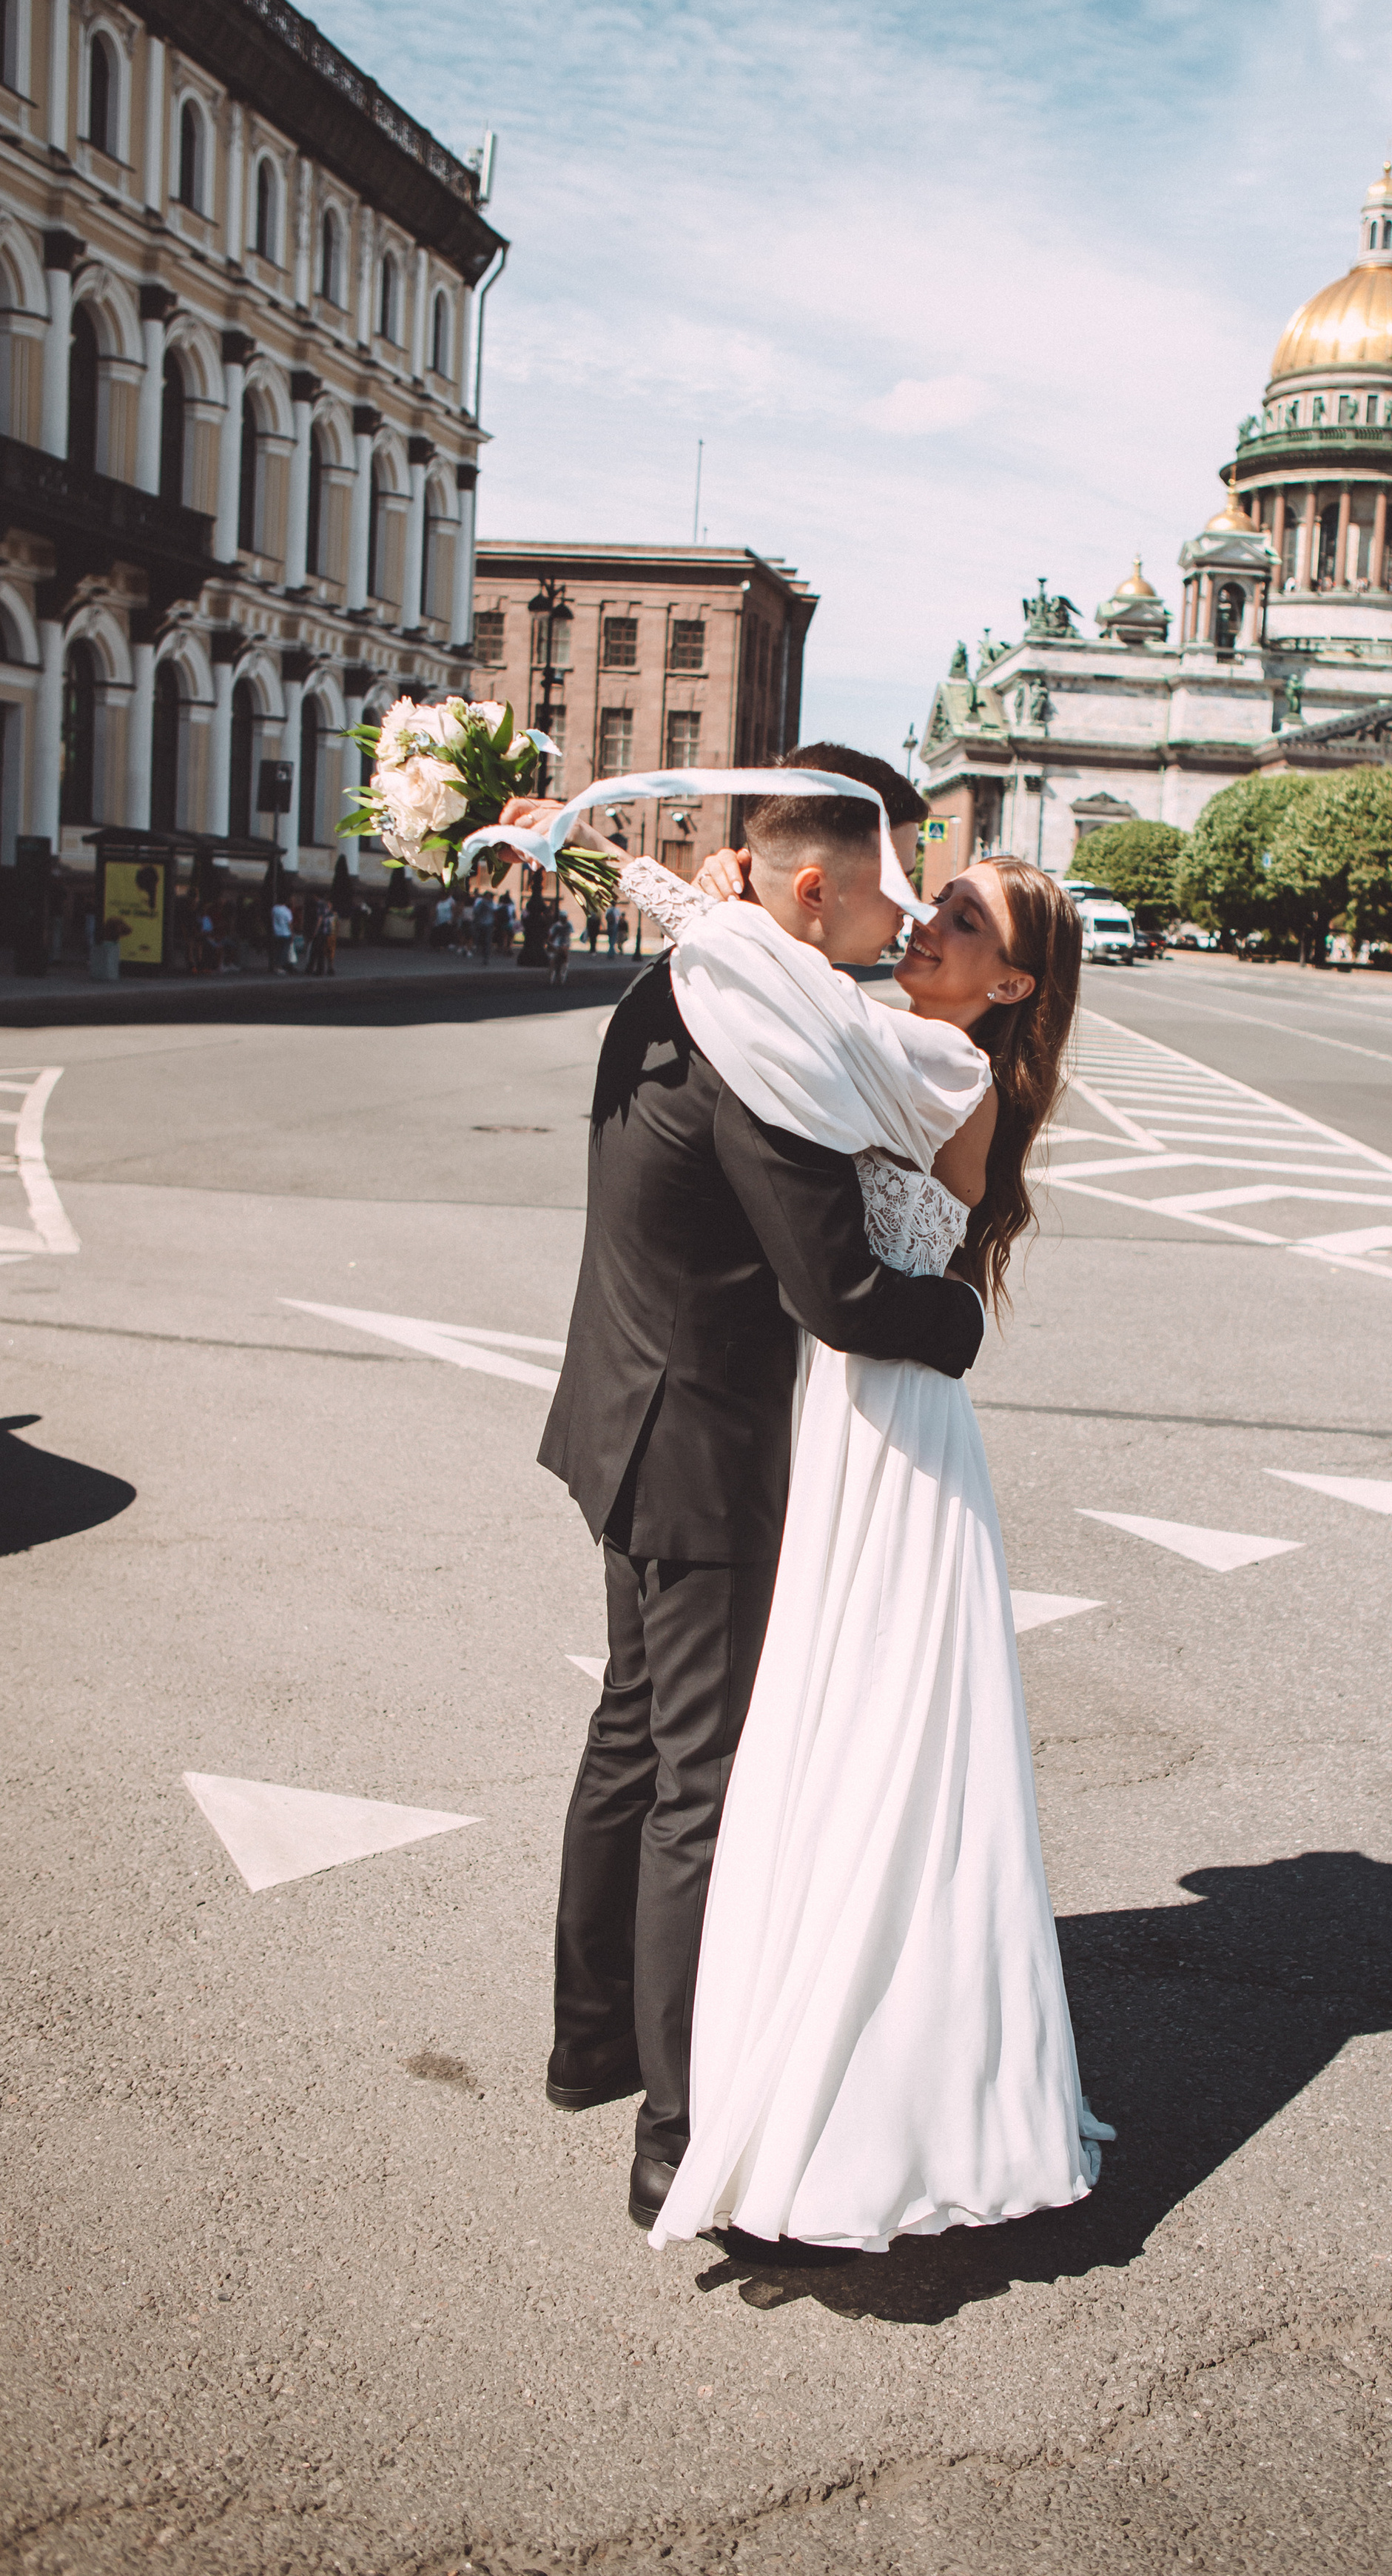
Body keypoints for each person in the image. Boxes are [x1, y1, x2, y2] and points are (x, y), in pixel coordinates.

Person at [511, 752, 986, 2238]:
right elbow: (840, 1292)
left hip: (617, 1407)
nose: (893, 919)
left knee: (629, 1742)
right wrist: (957, 1324)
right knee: (694, 1792)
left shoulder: (687, 981)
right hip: (702, 1444)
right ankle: (678, 2125)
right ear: (805, 890)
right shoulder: (759, 1045)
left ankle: (588, 2041)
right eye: (881, 890)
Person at [628, 833, 1109, 2255]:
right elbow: (778, 982)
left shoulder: (940, 1064)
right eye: (936, 900)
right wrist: (689, 891)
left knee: (871, 1746)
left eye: (961, 921)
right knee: (821, 1741)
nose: (928, 923)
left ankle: (869, 2102)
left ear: (1009, 984)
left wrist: (694, 898)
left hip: (891, 1428)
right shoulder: (889, 1034)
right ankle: (784, 2044)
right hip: (841, 1415)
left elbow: (778, 993)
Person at [545, 905, 573, 986]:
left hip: (564, 944)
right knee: (553, 961)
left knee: (564, 958)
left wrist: (567, 945)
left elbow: (569, 935)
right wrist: (550, 943)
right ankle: (553, 975)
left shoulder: (569, 925)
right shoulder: (556, 926)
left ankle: (563, 972)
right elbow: (551, 936)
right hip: (556, 944)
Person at [268, 893, 295, 973]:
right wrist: (292, 933)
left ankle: (275, 966)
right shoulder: (287, 911)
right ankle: (279, 967)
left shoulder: (274, 909)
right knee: (284, 951)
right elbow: (290, 924)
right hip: (286, 933)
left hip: (276, 933)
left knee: (277, 950)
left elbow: (271, 918)